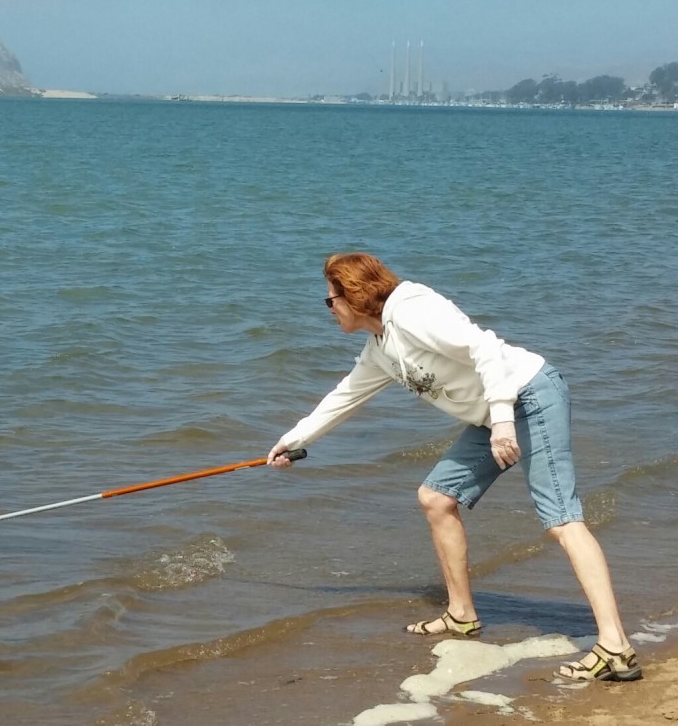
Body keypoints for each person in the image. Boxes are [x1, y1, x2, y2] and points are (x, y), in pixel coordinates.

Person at [266, 252, 641, 682]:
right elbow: (344, 397)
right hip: (494, 414)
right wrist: (292, 442)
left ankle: (615, 646)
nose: (329, 310)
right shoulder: (380, 348)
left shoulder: (412, 311)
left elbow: (483, 346)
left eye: (330, 300)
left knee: (561, 519)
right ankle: (461, 614)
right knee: (436, 497)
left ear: (352, 296)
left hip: (528, 395)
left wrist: (502, 419)